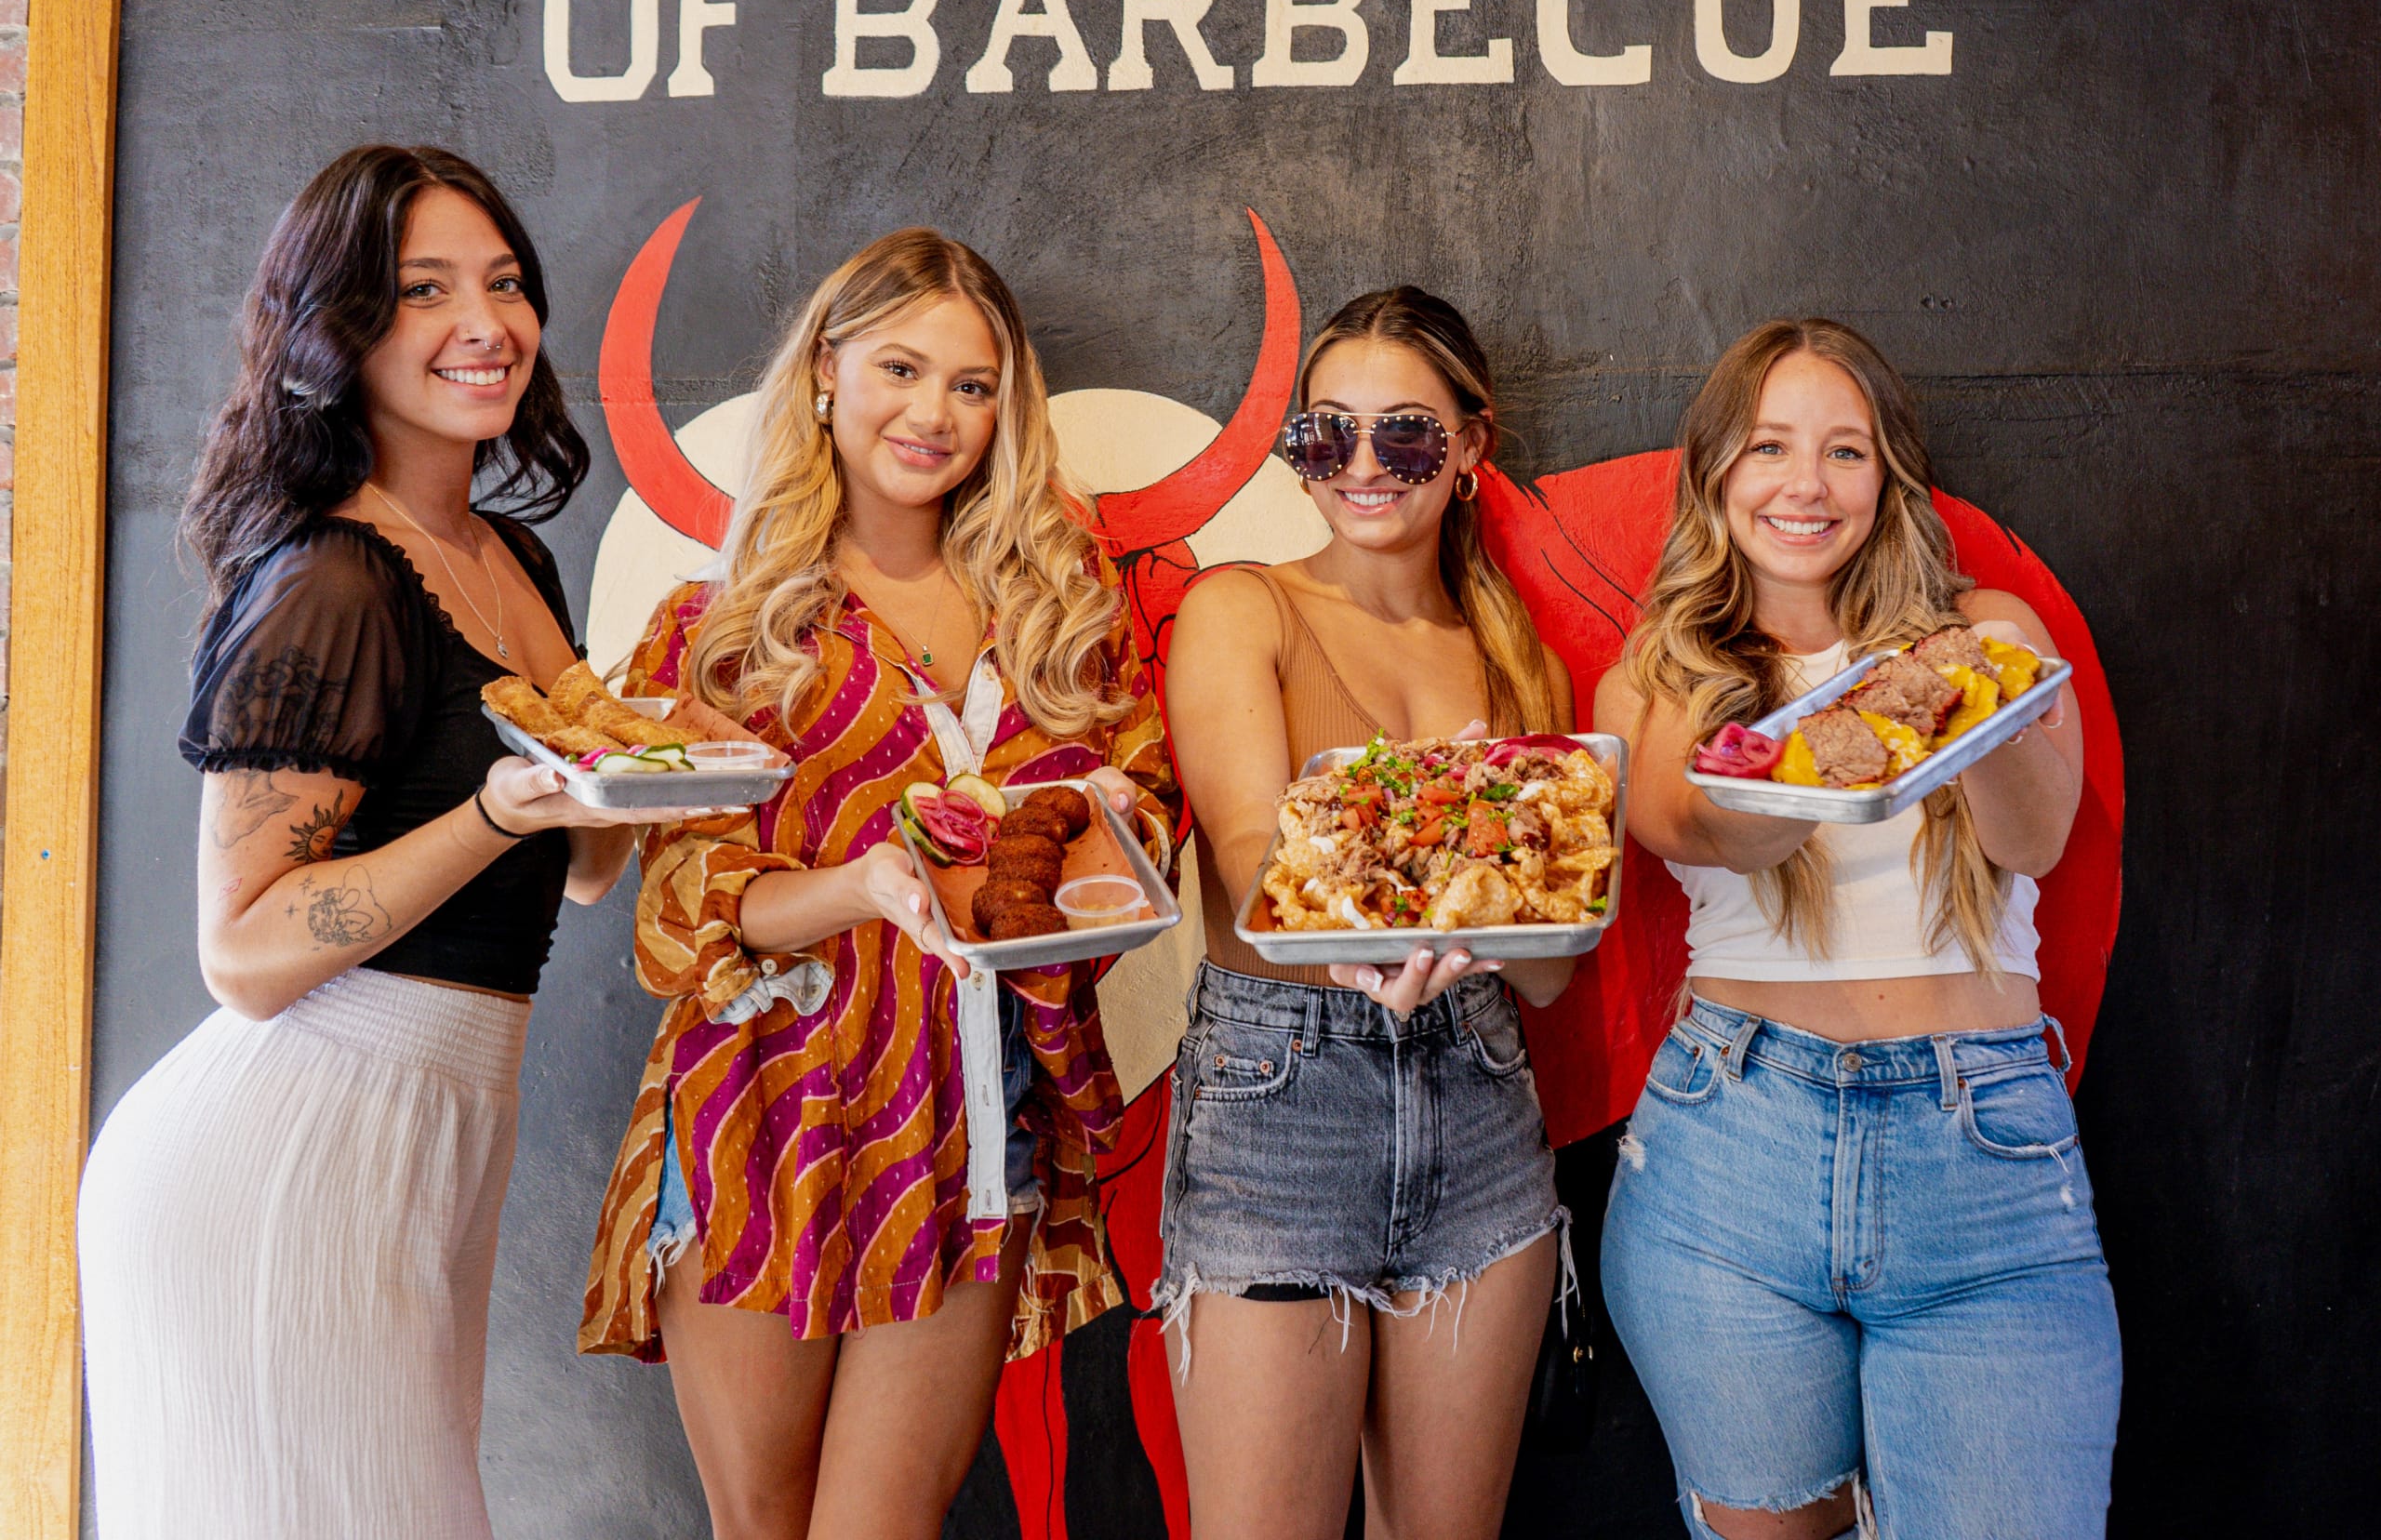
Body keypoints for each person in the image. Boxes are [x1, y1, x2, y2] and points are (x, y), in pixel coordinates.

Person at [77, 145, 702, 1540]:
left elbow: (582, 866)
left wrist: (652, 766)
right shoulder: (332, 580)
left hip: (440, 1127)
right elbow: (243, 953)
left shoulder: (510, 560)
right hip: (288, 1143)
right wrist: (498, 810)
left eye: (505, 282)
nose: (486, 323)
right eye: (424, 290)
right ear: (337, 330)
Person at [578, 227, 1177, 1540]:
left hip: (974, 1116)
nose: (936, 414)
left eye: (973, 387)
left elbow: (1140, 836)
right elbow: (685, 912)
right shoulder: (717, 628)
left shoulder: (1056, 610)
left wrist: (1117, 826)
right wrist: (863, 886)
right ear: (826, 376)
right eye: (902, 369)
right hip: (762, 1113)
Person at [1596, 319, 2118, 1540]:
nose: (1805, 485)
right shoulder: (1661, 673)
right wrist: (1829, 745)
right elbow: (1699, 823)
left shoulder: (1991, 627)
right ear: (1717, 470)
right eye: (1770, 447)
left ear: (1886, 480)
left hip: (1978, 1142)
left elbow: (2036, 838)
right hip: (1729, 1153)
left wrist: (1958, 703)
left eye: (1846, 451)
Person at [1156, 286, 1578, 1540]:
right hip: (1283, 1099)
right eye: (1323, 435)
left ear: (1470, 447)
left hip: (1482, 1105)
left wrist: (1491, 919)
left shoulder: (1519, 662)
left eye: (1402, 433)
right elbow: (1254, 874)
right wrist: (1453, 851)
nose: (1360, 466)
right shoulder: (1245, 608)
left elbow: (1550, 973)